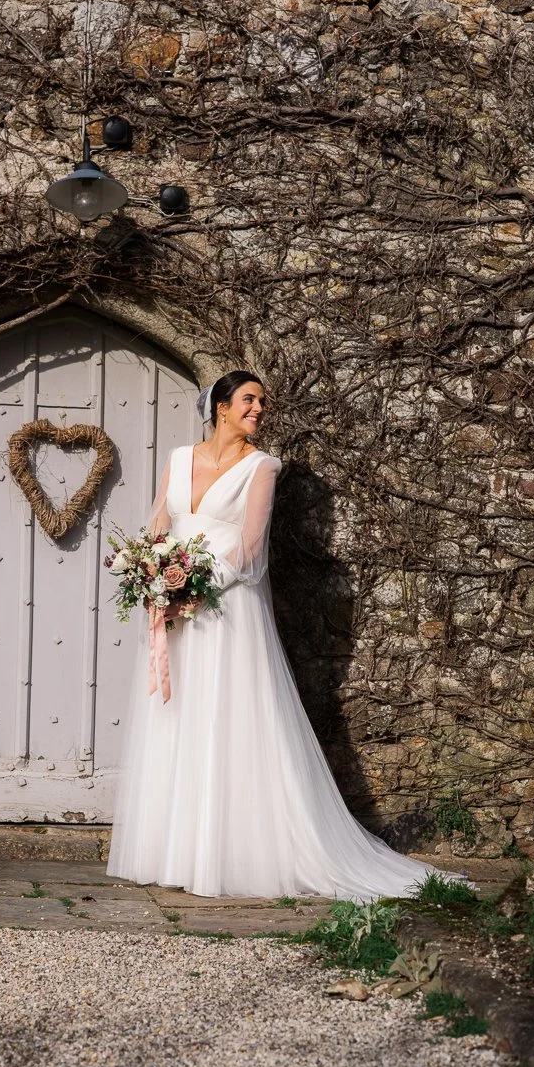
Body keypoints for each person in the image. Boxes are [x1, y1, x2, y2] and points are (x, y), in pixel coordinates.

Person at [107, 370, 443, 901]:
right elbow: (157, 526)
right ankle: (174, 850)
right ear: (220, 406)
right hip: (176, 613)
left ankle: (230, 854)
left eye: (262, 402)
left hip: (226, 608)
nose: (259, 408)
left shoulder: (262, 467)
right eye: (249, 399)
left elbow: (249, 548)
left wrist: (195, 584)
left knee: (228, 720)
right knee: (179, 719)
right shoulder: (177, 459)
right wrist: (151, 575)